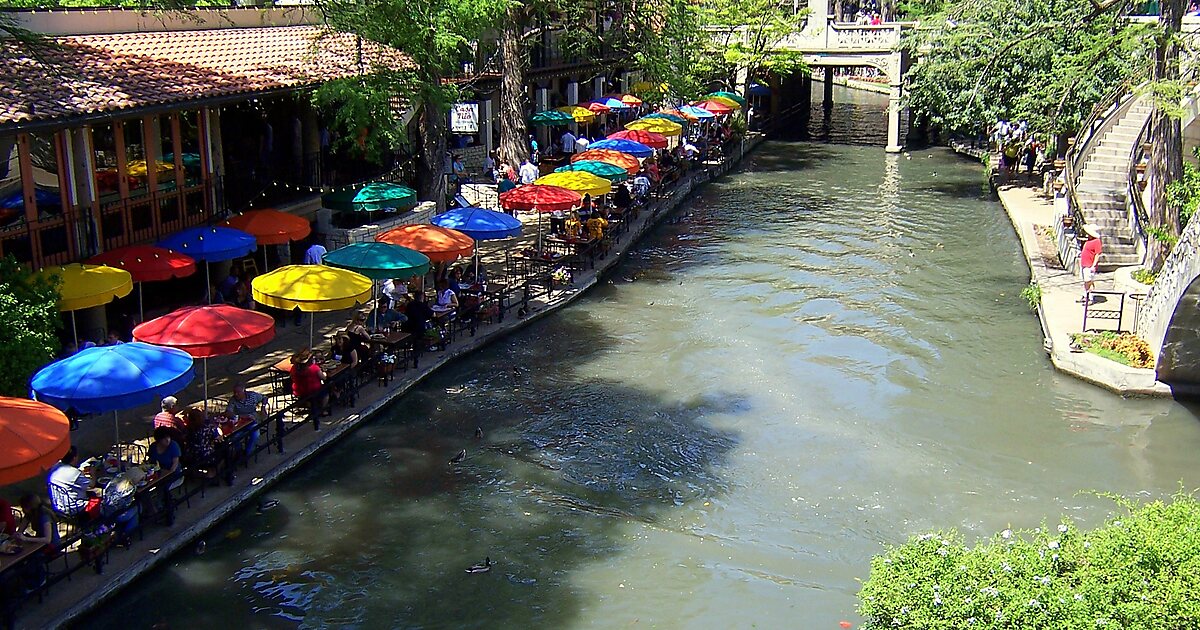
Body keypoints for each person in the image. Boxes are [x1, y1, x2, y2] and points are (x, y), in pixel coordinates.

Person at [46, 447, 97, 519]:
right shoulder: (74, 473)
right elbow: (92, 485)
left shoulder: (55, 467)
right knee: (96, 496)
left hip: (58, 505)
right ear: (74, 458)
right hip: (73, 509)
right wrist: (93, 473)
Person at [289, 348, 328, 428]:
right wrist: (324, 373)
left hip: (299, 391)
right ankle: (322, 410)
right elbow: (324, 378)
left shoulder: (294, 369)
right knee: (326, 393)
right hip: (314, 391)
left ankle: (312, 406)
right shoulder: (314, 368)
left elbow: (292, 378)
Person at [1078, 223, 1103, 304]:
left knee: (1089, 281)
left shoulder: (1097, 241)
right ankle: (1085, 295)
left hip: (1089, 265)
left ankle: (1090, 298)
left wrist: (1093, 265)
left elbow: (1097, 254)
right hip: (1084, 263)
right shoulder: (1089, 240)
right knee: (1086, 281)